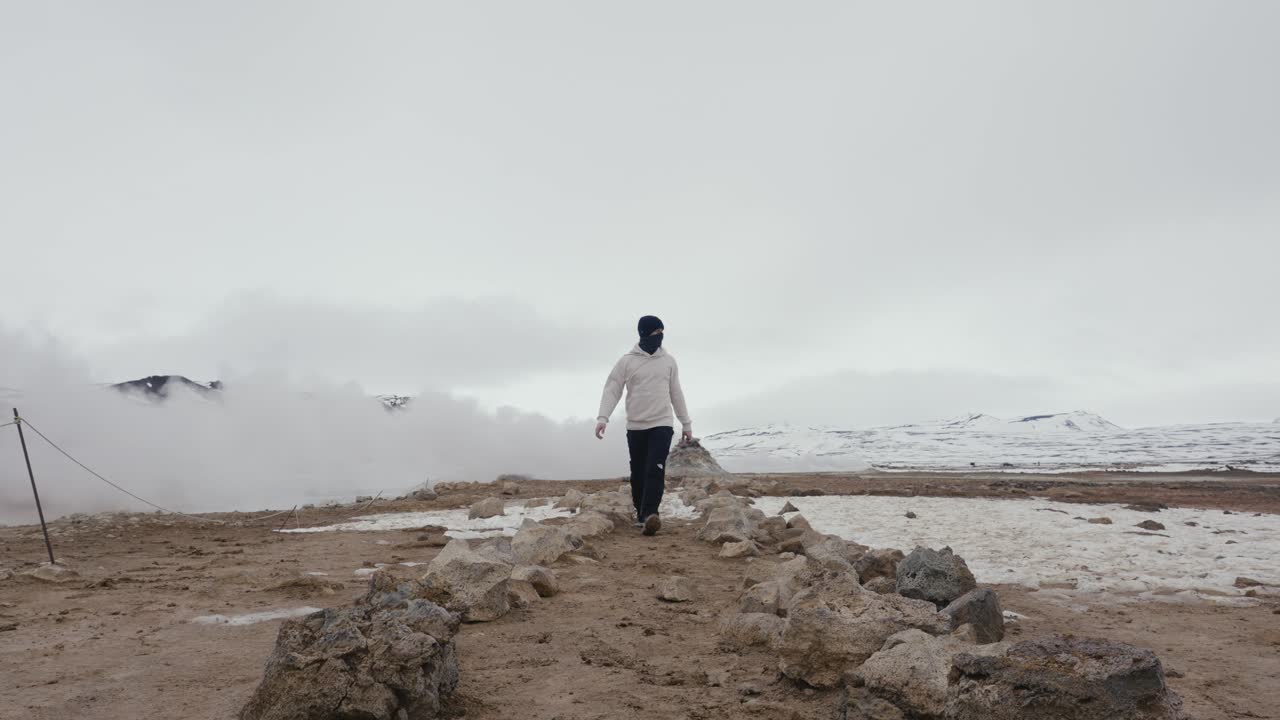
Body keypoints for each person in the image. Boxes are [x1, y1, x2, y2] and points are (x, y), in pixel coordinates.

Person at [595, 315, 692, 536]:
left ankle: (650, 514)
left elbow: (676, 393)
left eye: (661, 332)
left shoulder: (668, 362)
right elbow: (612, 389)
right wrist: (603, 418)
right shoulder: (627, 361)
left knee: (654, 469)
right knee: (638, 472)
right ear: (643, 333)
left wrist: (685, 423)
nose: (660, 336)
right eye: (656, 332)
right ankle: (641, 514)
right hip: (636, 426)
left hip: (662, 423)